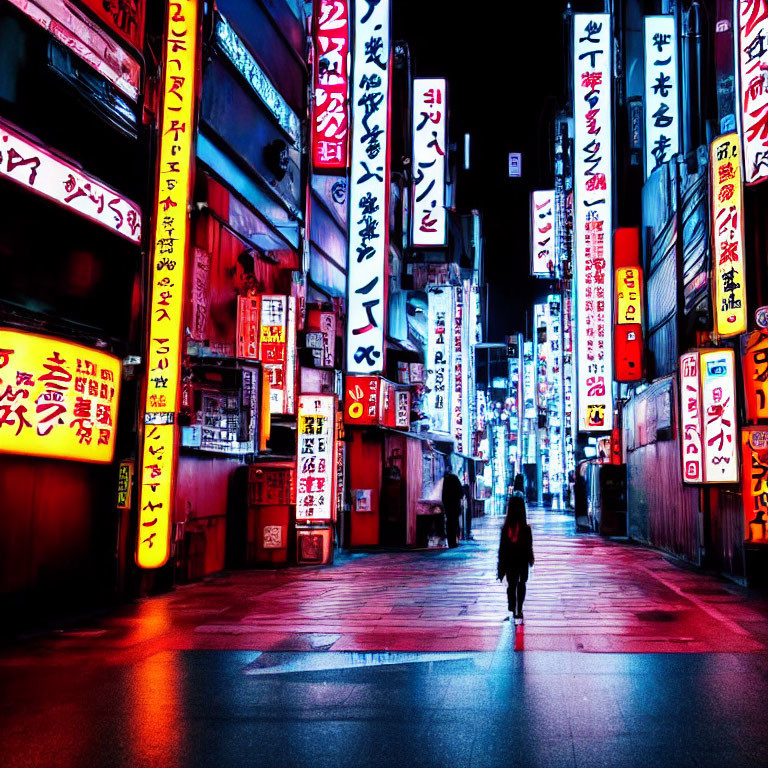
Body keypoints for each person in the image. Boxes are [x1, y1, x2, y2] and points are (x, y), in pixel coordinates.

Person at [497, 493, 535, 623]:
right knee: (521, 583)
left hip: (509, 561)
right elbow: (529, 547)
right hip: (522, 561)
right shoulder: (526, 529)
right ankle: (519, 608)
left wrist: (500, 565)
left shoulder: (505, 529)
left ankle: (512, 607)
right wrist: (530, 559)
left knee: (511, 584)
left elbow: (502, 549)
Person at [442, 468, 463, 548]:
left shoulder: (445, 482)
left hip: (448, 507)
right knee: (455, 523)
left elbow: (443, 495)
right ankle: (455, 541)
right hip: (455, 506)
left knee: (449, 524)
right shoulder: (455, 480)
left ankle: (451, 542)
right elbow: (461, 493)